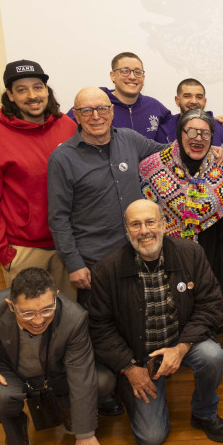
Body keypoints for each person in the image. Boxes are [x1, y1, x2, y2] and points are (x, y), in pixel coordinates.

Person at [88, 199, 223, 445]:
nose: (144, 231)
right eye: (136, 224)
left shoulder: (191, 253)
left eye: (150, 222)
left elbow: (210, 303)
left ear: (164, 225)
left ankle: (204, 412)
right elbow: (100, 327)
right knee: (150, 438)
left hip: (182, 342)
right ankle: (130, 392)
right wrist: (129, 368)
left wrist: (181, 348)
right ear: (127, 231)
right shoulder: (106, 270)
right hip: (138, 356)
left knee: (213, 356)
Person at [141, 108, 223, 358]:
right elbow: (144, 205)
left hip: (214, 245)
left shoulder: (222, 167)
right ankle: (198, 343)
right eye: (192, 131)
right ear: (180, 134)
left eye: (205, 133)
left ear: (212, 138)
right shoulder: (153, 166)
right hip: (174, 249)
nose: (198, 138)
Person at [0, 268, 112, 445]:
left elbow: (81, 373)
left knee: (102, 380)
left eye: (47, 310)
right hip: (9, 373)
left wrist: (85, 434)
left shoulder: (74, 317)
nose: (38, 321)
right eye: (27, 313)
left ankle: (68, 407)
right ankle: (15, 429)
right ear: (11, 306)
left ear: (56, 297)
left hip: (56, 375)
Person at [48, 87, 165, 308]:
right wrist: (74, 265)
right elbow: (58, 218)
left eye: (102, 108)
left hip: (136, 251)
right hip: (94, 262)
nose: (96, 116)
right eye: (87, 110)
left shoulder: (130, 139)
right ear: (76, 115)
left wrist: (209, 135)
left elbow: (169, 153)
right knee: (100, 327)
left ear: (111, 111)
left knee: (138, 318)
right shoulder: (62, 158)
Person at [0, 60, 76, 299]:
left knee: (70, 319)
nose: (32, 96)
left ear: (46, 90)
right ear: (9, 94)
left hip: (68, 246)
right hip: (24, 251)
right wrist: (4, 253)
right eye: (21, 89)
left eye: (38, 87)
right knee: (31, 323)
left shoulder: (67, 126)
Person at [68, 52, 170, 139]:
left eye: (137, 72)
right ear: (113, 76)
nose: (132, 77)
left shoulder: (154, 106)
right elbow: (65, 126)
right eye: (125, 71)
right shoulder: (96, 102)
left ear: (143, 77)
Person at [155, 78, 223, 173]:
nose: (194, 101)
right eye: (187, 96)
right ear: (177, 100)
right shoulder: (163, 130)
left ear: (205, 101)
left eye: (199, 97)